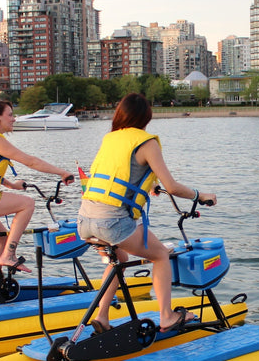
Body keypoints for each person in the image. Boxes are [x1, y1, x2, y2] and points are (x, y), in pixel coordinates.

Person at [78, 92, 217, 333]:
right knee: (161, 255)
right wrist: (200, 195)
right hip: (112, 221)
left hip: (85, 220)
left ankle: (102, 316)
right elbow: (172, 187)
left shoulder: (111, 138)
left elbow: (117, 174)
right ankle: (167, 316)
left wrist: (150, 186)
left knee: (118, 258)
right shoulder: (146, 141)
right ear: (146, 117)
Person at [0, 99, 75, 278]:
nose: (14, 119)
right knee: (27, 204)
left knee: (1, 241)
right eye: (10, 115)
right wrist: (62, 172)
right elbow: (31, 161)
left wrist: (12, 185)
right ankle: (10, 255)